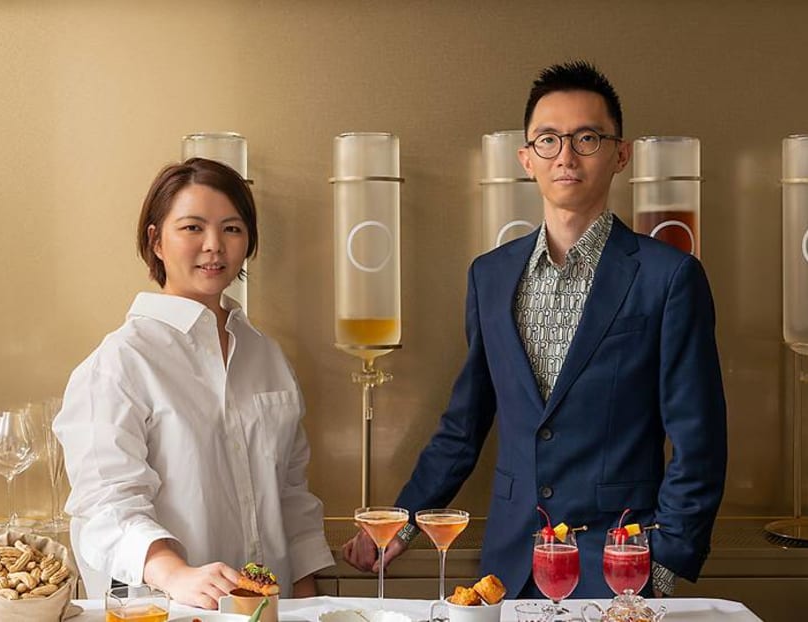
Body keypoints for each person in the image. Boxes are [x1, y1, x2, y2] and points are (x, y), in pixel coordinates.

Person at [342, 61, 727, 599]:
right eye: (548, 140)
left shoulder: (671, 277)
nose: (565, 156)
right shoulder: (490, 275)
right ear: (526, 159)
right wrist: (400, 522)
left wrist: (661, 562)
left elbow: (699, 438)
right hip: (509, 562)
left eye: (586, 137)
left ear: (621, 153)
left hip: (619, 563)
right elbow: (465, 421)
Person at [54, 157, 334, 608]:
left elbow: (292, 496)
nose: (214, 246)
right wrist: (177, 574)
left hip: (273, 609)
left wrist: (310, 604)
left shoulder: (268, 356)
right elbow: (106, 503)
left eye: (232, 229)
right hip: (172, 609)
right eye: (191, 228)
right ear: (156, 241)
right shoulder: (121, 361)